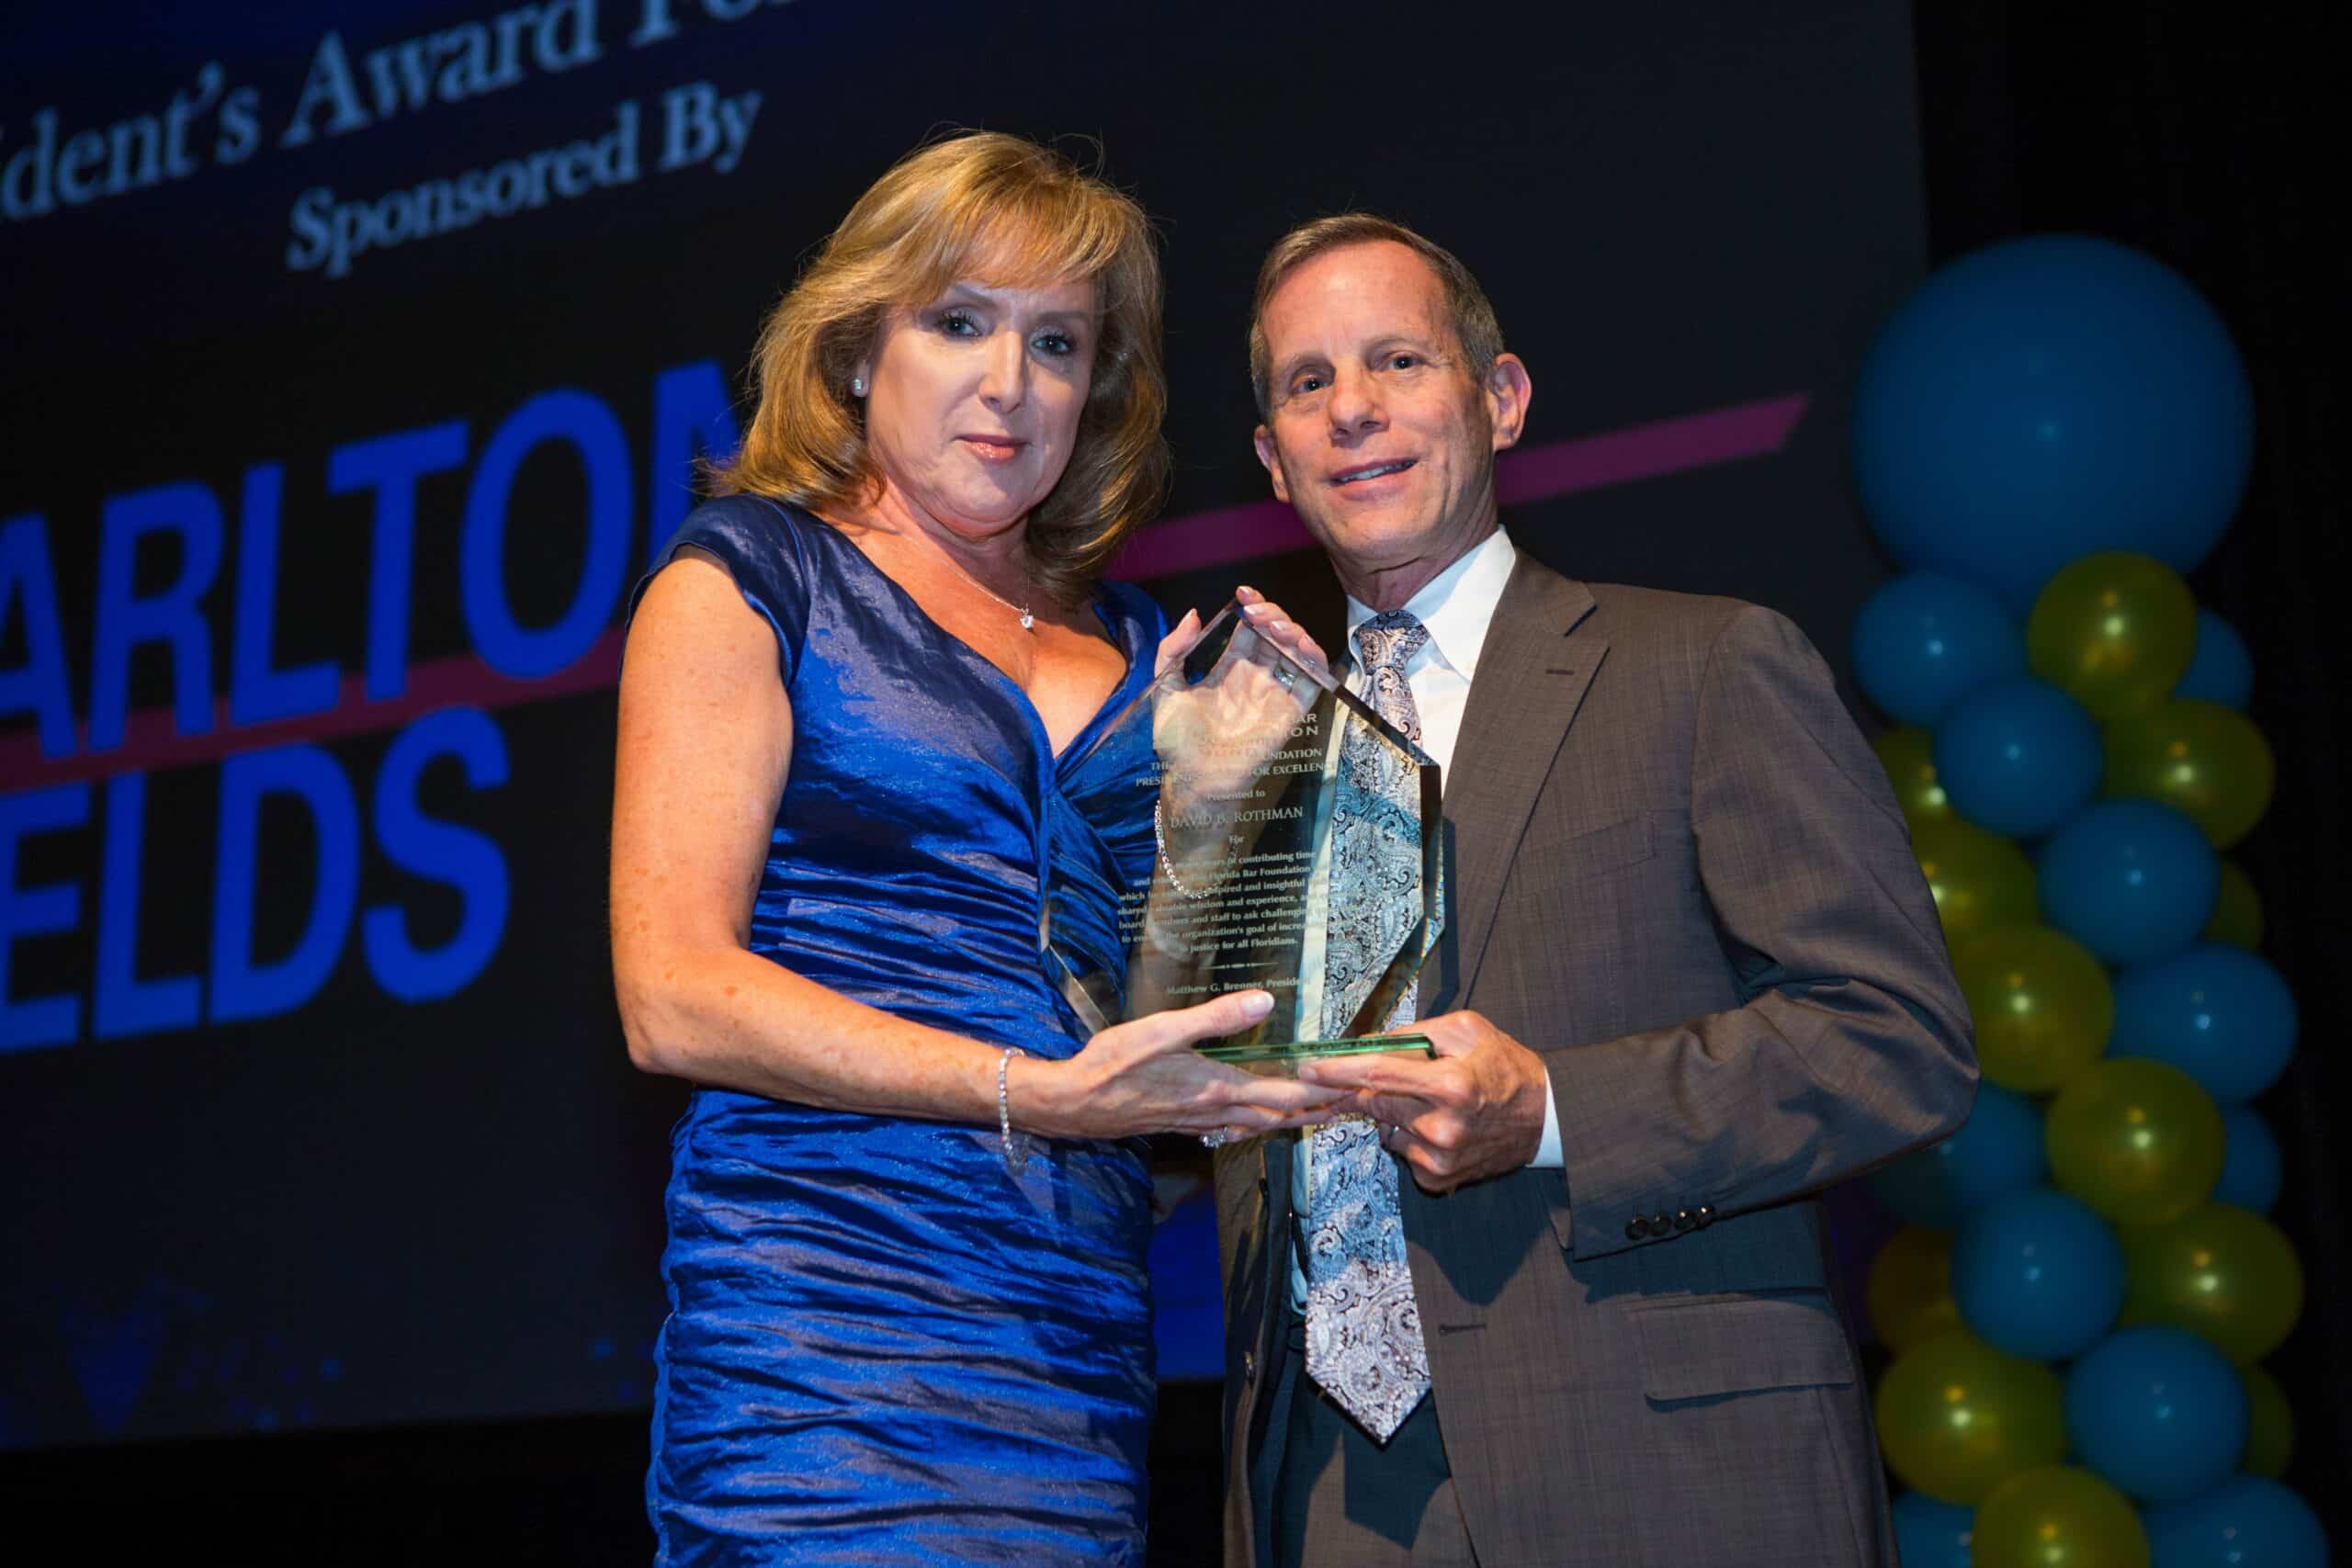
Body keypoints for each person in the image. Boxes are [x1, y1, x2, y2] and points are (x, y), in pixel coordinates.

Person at [609, 132, 1338, 1566]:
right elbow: (671, 995)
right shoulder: (749, 578)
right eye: (959, 323)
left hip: (1070, 1351)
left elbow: (1169, 1044)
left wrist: (1224, 820)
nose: (1011, 383)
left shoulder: (1141, 645)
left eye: (1057, 343)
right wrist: (1034, 1093)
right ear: (855, 351)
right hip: (823, 1328)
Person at [1211, 214, 1978, 1567]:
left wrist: (1557, 1113)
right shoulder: (1252, 754)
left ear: (1501, 400)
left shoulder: (1705, 665)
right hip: (1330, 1493)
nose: (1354, 410)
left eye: (1399, 360)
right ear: (1273, 460)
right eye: (1307, 382)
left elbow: (1897, 1042)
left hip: (1662, 1470)